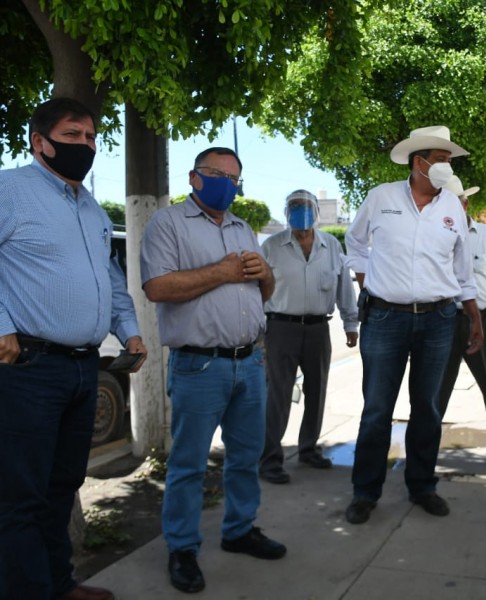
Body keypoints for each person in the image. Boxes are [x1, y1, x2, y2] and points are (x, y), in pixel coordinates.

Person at [0, 97, 147, 600]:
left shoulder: (90, 206)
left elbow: (108, 276)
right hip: (29, 369)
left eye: (90, 137)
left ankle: (59, 585)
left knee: (62, 489)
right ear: (40, 142)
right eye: (72, 136)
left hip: (84, 368)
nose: (85, 145)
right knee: (20, 498)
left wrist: (128, 328)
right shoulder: (10, 190)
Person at [140, 147, 284, 594]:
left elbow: (262, 292)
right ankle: (182, 547)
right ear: (194, 177)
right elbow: (158, 287)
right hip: (199, 366)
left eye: (234, 177)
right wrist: (222, 272)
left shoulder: (244, 228)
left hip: (251, 360)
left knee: (245, 457)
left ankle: (239, 530)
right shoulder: (167, 224)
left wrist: (266, 275)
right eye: (216, 173)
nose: (226, 182)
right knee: (188, 464)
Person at [343, 125, 483, 524]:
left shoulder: (453, 207)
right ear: (419, 162)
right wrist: (366, 278)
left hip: (439, 320)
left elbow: (462, 269)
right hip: (385, 318)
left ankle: (422, 486)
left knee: (428, 409)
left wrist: (474, 315)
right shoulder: (381, 197)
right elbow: (354, 243)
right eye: (442, 159)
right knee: (376, 410)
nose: (448, 166)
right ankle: (365, 492)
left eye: (450, 160)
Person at [259, 189, 359, 484]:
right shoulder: (271, 247)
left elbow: (344, 289)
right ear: (286, 212)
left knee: (317, 391)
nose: (300, 211)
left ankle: (308, 449)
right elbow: (255, 290)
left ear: (316, 211)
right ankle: (270, 459)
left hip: (318, 328)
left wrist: (351, 324)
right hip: (280, 328)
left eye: (305, 206)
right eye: (294, 206)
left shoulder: (330, 245)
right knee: (277, 395)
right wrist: (257, 334)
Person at [438, 176, 486, 467]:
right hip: (443, 320)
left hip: (482, 320)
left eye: (453, 202)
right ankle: (425, 443)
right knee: (435, 386)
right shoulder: (433, 237)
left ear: (465, 202)